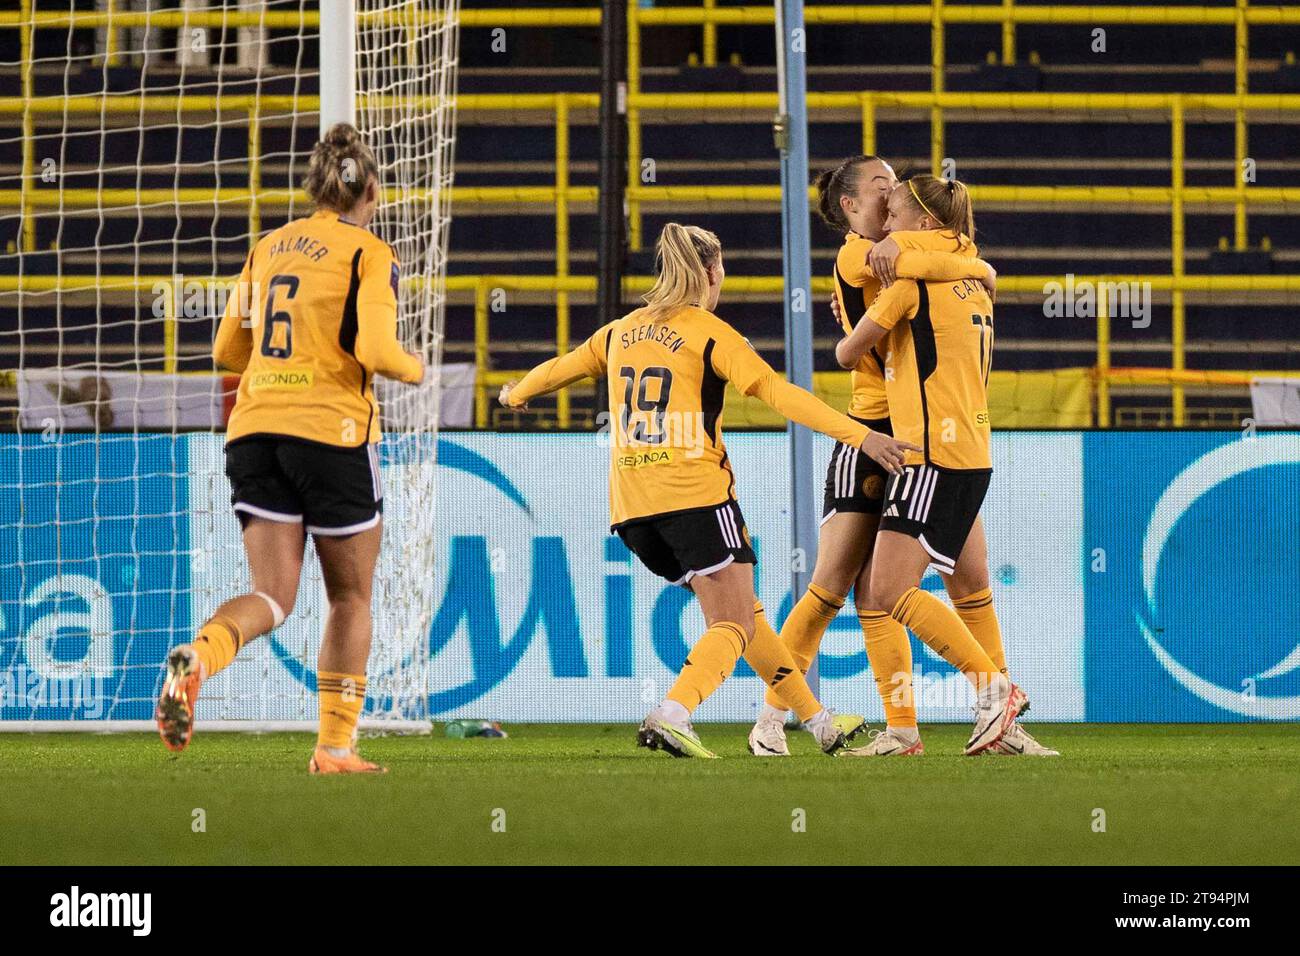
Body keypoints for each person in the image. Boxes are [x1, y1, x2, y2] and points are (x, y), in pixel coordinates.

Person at [499, 222, 919, 758]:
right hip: (693, 495)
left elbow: (564, 367)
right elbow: (778, 392)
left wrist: (517, 393)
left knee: (747, 616)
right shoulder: (710, 333)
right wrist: (862, 435)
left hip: (631, 509)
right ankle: (673, 712)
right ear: (712, 272)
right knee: (733, 622)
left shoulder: (619, 330)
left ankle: (819, 723)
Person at [155, 123, 425, 774]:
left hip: (253, 430)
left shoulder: (266, 248)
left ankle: (199, 655)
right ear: (374, 193)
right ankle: (334, 747)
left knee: (273, 596)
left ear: (315, 186)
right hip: (329, 433)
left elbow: (226, 352)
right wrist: (419, 370)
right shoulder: (368, 253)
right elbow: (376, 352)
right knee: (349, 598)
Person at [748, 155, 997, 757]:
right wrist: (980, 264)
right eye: (880, 189)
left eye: (896, 189)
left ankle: (993, 722)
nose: (892, 198)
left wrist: (975, 266)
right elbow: (931, 263)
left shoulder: (908, 257)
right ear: (850, 209)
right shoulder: (857, 253)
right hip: (872, 434)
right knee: (835, 589)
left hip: (925, 432)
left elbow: (939, 266)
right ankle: (772, 718)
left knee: (970, 583)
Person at [833, 175, 1043, 756]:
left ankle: (993, 691)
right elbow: (978, 265)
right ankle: (999, 729)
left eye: (896, 212)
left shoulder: (903, 280)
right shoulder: (973, 277)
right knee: (971, 585)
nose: (888, 224)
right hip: (974, 451)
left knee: (885, 590)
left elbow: (848, 353)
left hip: (925, 453)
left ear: (924, 224)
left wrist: (861, 317)